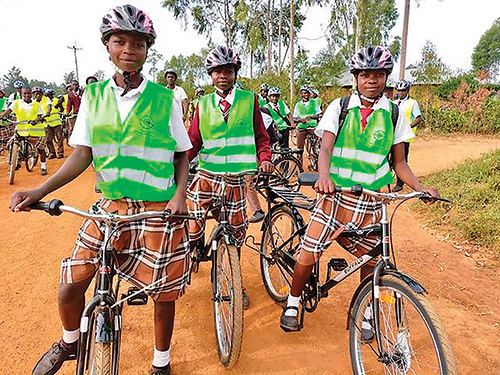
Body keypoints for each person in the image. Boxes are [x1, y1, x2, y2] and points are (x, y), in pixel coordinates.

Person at [10, 5, 191, 375]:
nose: (128, 49)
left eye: (138, 43)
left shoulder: (165, 99)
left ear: (147, 50)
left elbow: (182, 154)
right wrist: (39, 192)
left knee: (163, 294)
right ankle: (69, 342)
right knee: (70, 284)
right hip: (109, 206)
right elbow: (82, 155)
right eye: (119, 41)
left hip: (157, 208)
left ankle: (161, 362)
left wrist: (179, 196)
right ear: (106, 46)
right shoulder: (92, 97)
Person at [279, 46, 440, 334]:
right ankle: (293, 300)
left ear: (385, 78)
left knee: (372, 257)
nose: (372, 80)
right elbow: (326, 147)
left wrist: (419, 187)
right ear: (356, 77)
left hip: (372, 199)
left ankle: (366, 311)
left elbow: (399, 162)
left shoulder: (393, 113)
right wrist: (324, 176)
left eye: (378, 74)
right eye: (365, 74)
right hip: (336, 195)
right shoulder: (339, 108)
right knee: (309, 251)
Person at [187, 45, 273, 309]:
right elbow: (193, 141)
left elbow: (261, 136)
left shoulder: (250, 100)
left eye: (228, 70)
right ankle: (194, 249)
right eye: (217, 71)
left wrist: (265, 158)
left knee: (236, 233)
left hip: (237, 179)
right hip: (207, 175)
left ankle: (235, 283)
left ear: (235, 73)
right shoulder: (202, 104)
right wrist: (176, 165)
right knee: (192, 219)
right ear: (211, 75)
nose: (223, 75)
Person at [1, 86, 48, 175]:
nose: (27, 95)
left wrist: (36, 121)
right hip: (21, 130)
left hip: (35, 130)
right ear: (21, 94)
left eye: (29, 93)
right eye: (25, 93)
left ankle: (43, 166)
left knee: (40, 149)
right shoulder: (16, 103)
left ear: (31, 94)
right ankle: (15, 162)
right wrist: (2, 116)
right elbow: (7, 111)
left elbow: (40, 115)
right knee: (12, 144)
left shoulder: (36, 104)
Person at [392, 79, 423, 192]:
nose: (400, 93)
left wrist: (407, 127)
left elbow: (418, 118)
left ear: (407, 91)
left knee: (401, 159)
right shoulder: (394, 103)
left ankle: (400, 183)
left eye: (403, 90)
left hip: (405, 136)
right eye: (399, 90)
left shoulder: (412, 103)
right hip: (393, 135)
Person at [293, 85, 322, 166]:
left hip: (312, 127)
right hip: (302, 128)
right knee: (299, 149)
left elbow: (319, 114)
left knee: (317, 146)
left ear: (310, 94)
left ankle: (317, 160)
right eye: (304, 93)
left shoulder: (314, 103)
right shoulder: (298, 105)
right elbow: (294, 117)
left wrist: (310, 117)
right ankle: (299, 165)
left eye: (307, 93)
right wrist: (299, 120)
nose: (306, 95)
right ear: (301, 94)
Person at [44, 89, 65, 159]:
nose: (48, 97)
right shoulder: (44, 102)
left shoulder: (56, 101)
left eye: (49, 95)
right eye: (46, 95)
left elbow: (61, 109)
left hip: (57, 123)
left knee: (59, 138)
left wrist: (59, 105)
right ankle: (52, 153)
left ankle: (60, 152)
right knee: (48, 139)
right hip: (47, 124)